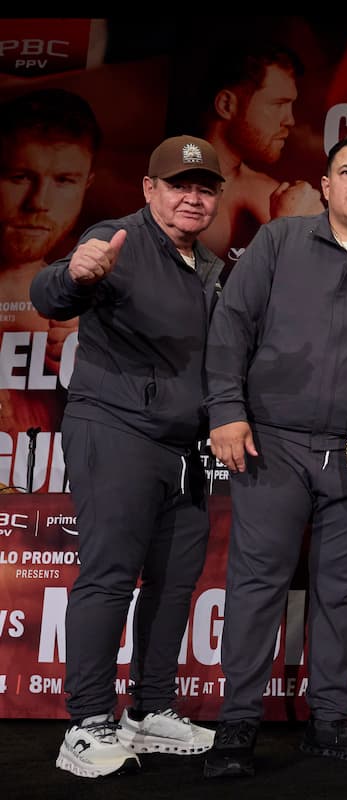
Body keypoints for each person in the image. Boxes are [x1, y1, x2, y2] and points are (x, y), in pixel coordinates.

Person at [200, 132, 347, 778]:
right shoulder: (279, 242)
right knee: (256, 585)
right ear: (324, 185)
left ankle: (328, 718)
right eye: (346, 172)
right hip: (275, 442)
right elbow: (232, 324)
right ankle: (236, 726)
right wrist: (228, 412)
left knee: (341, 591)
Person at [29, 134, 225, 777]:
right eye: (178, 186)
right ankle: (86, 723)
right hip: (117, 428)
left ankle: (151, 710)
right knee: (110, 576)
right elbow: (52, 292)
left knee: (173, 586)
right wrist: (71, 275)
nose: (192, 198)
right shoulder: (115, 240)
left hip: (187, 447)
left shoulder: (214, 266)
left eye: (204, 188)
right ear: (150, 190)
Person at [0, 89, 99, 461]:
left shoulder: (97, 310)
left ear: (87, 184)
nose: (39, 201)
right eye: (19, 176)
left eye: (64, 180)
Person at [195, 41, 324, 269]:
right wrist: (284, 236)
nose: (290, 120)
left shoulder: (269, 194)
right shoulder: (160, 194)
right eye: (278, 105)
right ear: (226, 105)